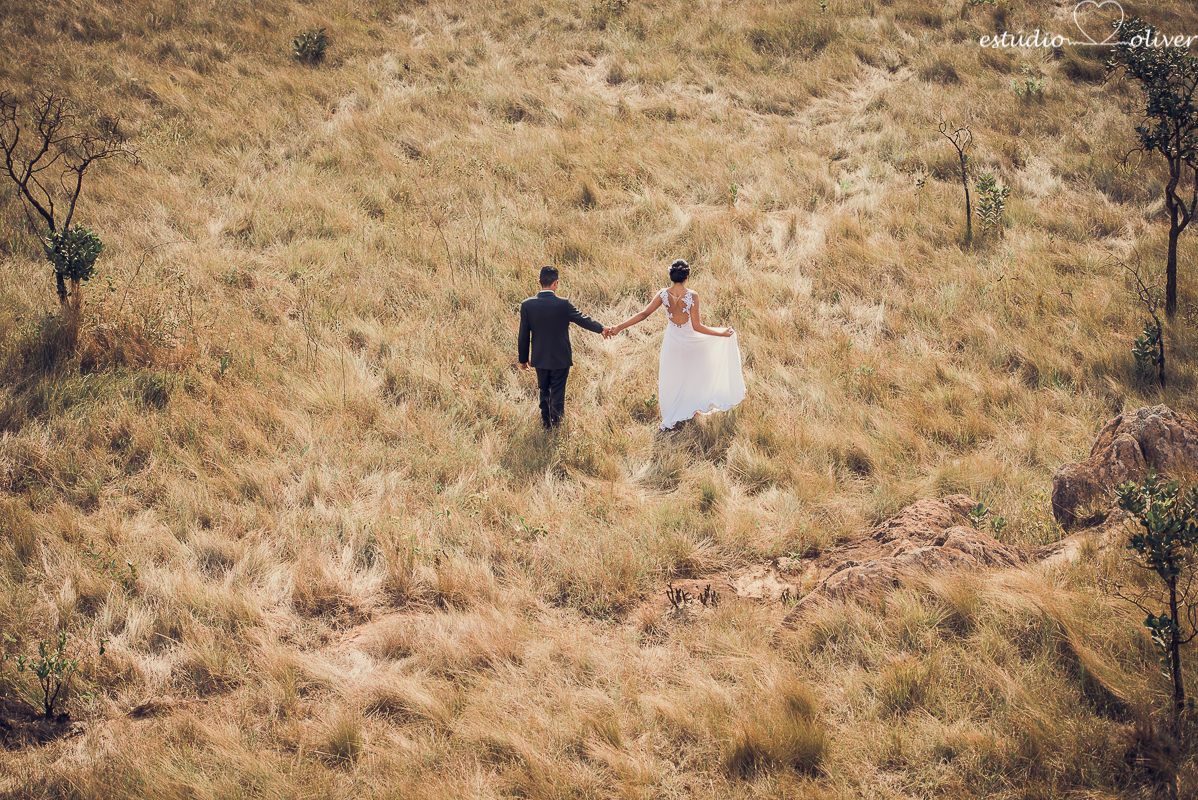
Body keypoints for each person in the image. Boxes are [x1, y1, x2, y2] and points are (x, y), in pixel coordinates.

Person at [609, 259, 745, 430]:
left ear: (671, 276)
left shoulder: (662, 294)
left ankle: (679, 410)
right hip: (691, 341)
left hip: (672, 341)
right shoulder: (692, 295)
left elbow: (643, 314)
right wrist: (721, 333)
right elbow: (697, 326)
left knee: (675, 376)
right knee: (697, 373)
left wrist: (619, 327)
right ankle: (693, 406)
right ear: (687, 277)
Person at [518, 266, 611, 429]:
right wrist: (601, 328)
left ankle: (546, 423)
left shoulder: (527, 305)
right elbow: (582, 319)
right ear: (556, 283)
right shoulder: (563, 304)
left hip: (539, 357)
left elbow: (523, 334)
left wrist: (523, 359)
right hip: (561, 357)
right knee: (558, 391)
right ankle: (557, 424)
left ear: (539, 282)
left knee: (544, 390)